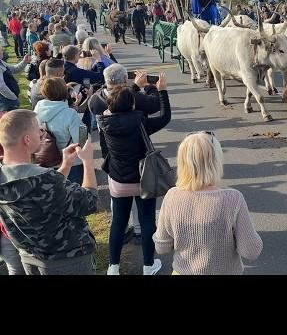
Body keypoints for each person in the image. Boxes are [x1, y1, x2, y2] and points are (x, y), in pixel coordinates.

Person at [0, 109, 98, 275]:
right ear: (27, 139)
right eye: (38, 129)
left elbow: (43, 194)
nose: (41, 132)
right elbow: (89, 202)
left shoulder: (7, 177)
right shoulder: (45, 179)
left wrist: (65, 166)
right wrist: (88, 162)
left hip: (30, 257)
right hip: (67, 259)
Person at [153, 132, 262, 275]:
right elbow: (251, 251)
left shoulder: (172, 196)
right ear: (216, 161)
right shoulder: (233, 199)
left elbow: (161, 247)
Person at [97, 74, 171, 275]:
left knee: (119, 222)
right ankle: (148, 264)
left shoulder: (104, 122)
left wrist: (136, 88)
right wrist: (159, 90)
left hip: (118, 180)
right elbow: (165, 116)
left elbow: (120, 101)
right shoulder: (141, 123)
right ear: (133, 105)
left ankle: (113, 267)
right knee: (147, 221)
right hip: (142, 179)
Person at [33, 77, 84, 184]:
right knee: (73, 195)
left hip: (45, 159)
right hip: (70, 163)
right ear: (65, 92)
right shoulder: (70, 114)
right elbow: (82, 139)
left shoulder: (37, 109)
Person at [0, 45, 29, 111]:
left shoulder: (1, 62)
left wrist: (24, 62)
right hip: (6, 101)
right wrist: (12, 97)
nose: (2, 51)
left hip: (8, 98)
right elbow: (1, 86)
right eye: (1, 50)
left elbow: (14, 69)